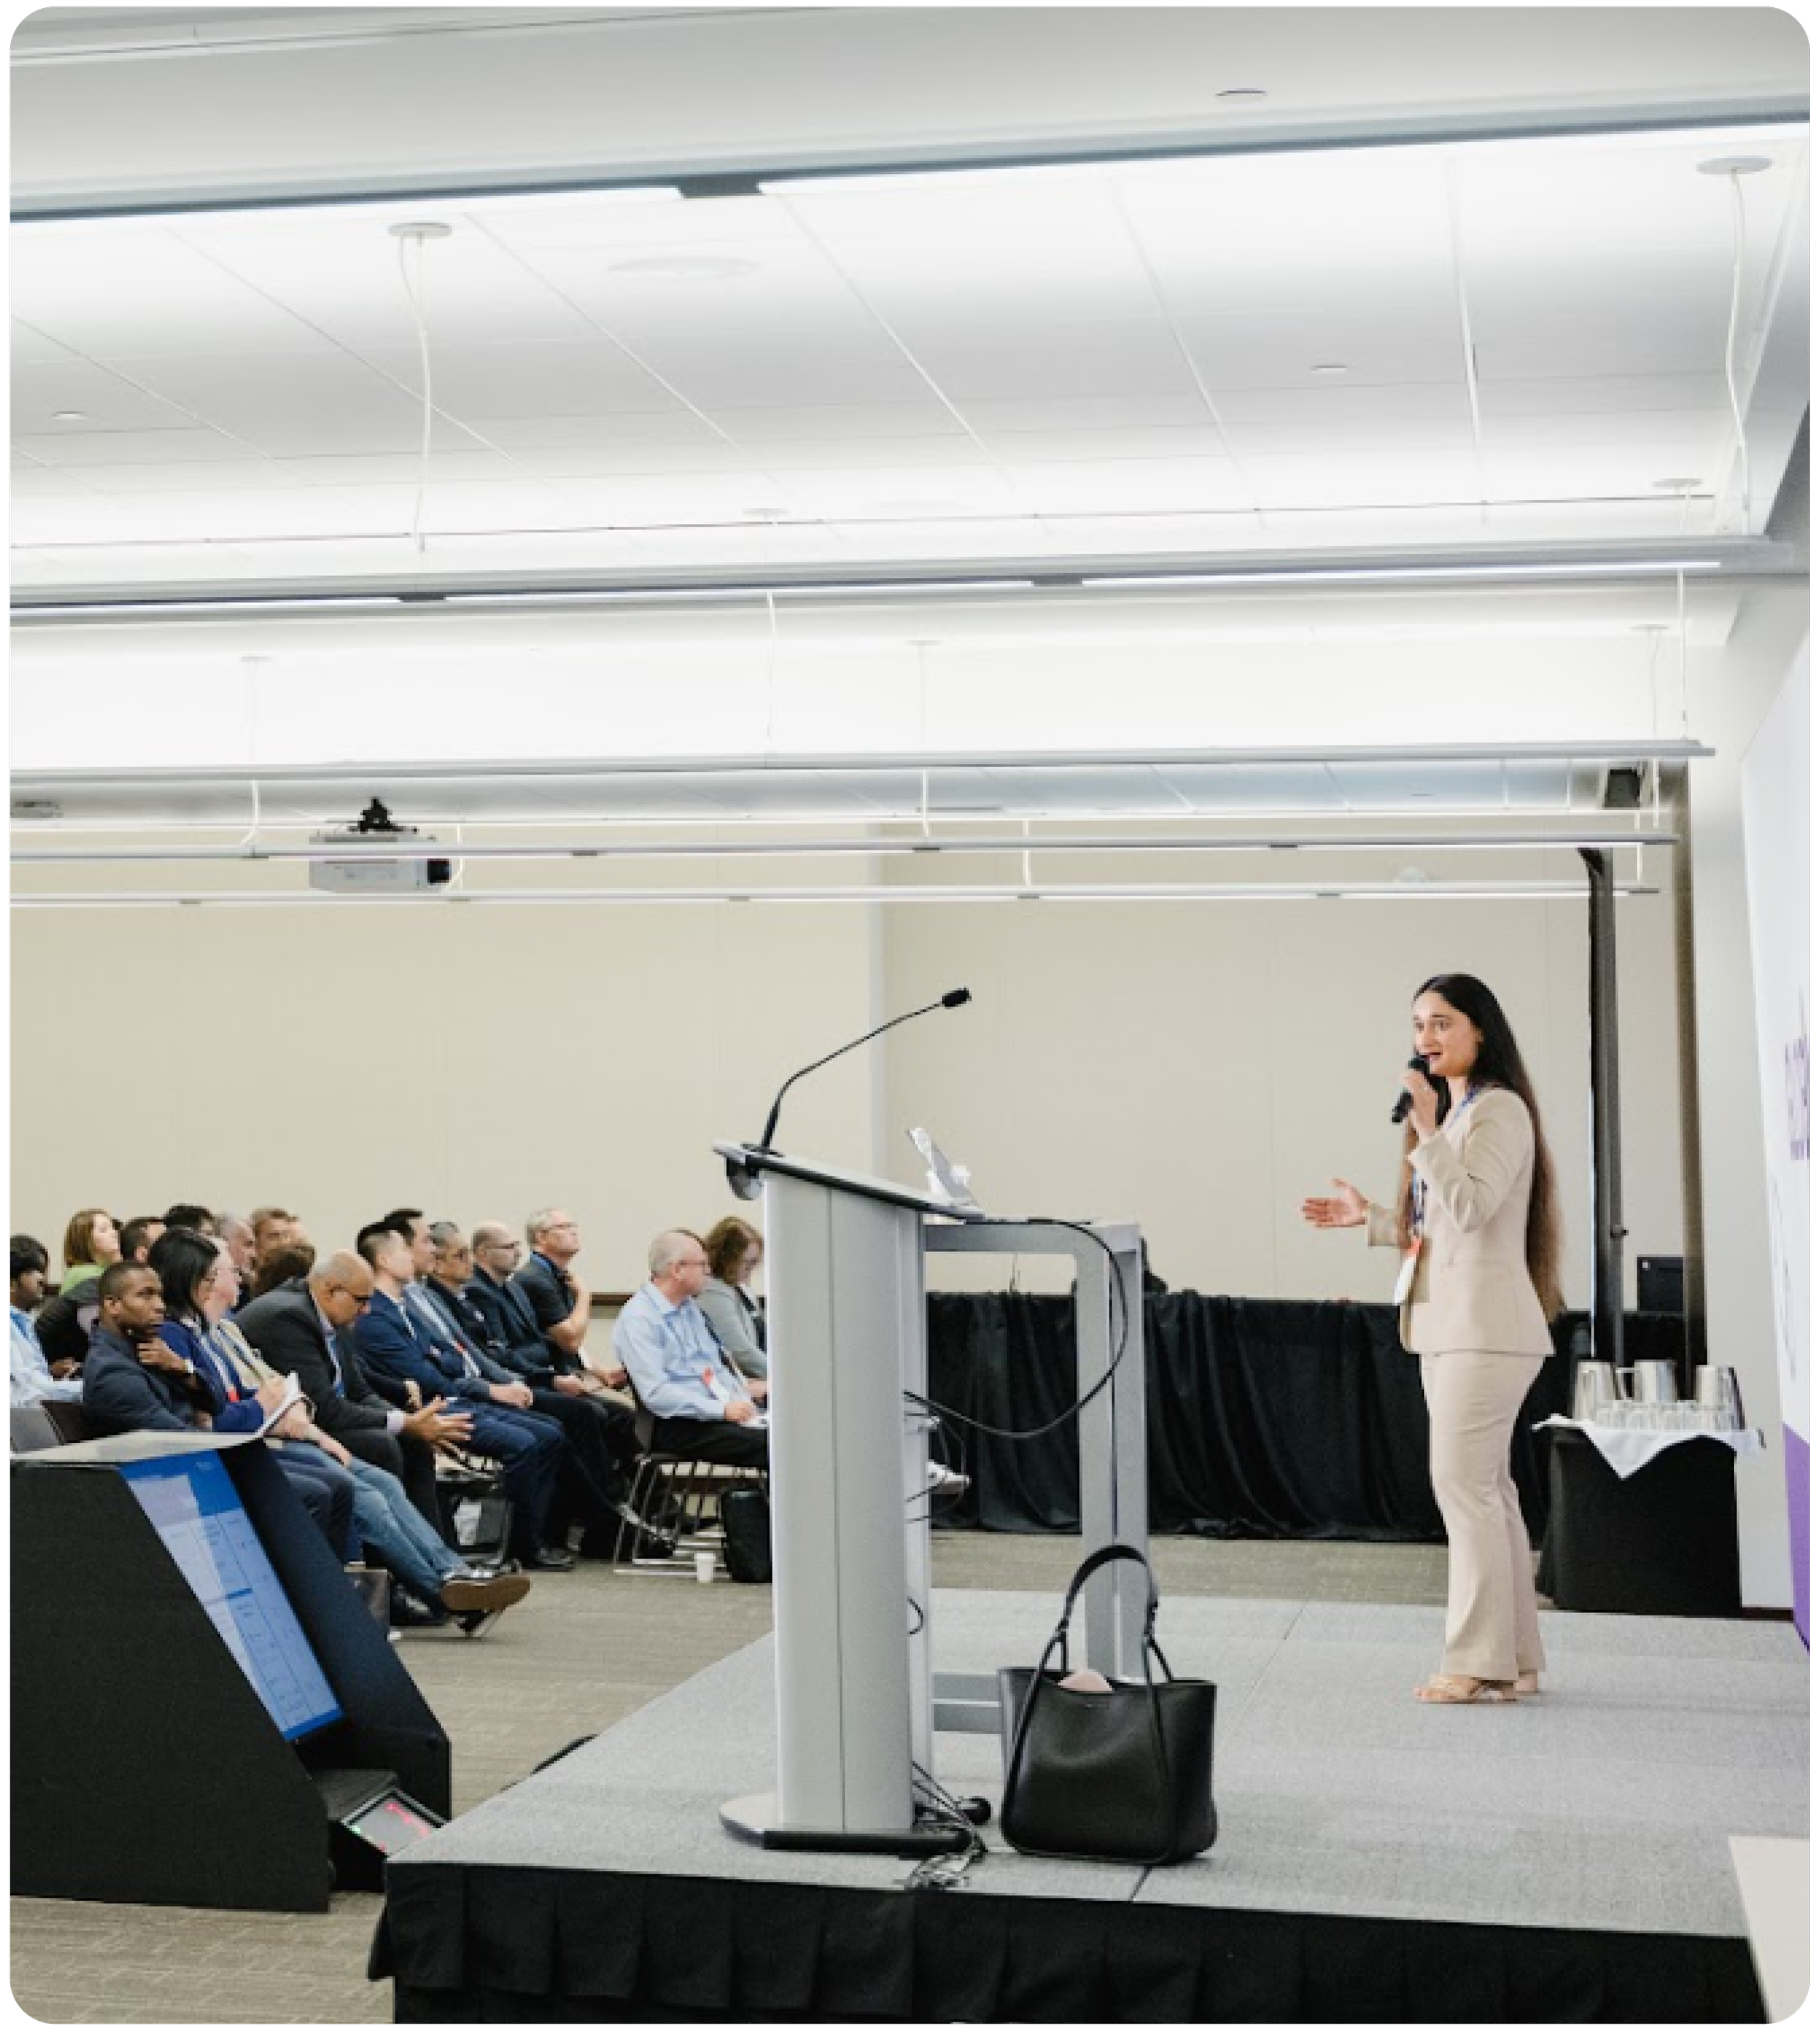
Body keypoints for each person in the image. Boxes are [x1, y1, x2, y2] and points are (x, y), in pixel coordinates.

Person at [1301, 972, 1562, 1706]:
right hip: (1450, 1325)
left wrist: (1422, 1128)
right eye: (1418, 1025)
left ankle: (1477, 1658)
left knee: (1465, 1488)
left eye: (1442, 1023)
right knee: (1488, 1491)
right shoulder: (1458, 1115)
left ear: (1481, 1030)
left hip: (1486, 1329)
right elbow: (1440, 1227)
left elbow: (1474, 1208)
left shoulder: (1498, 1111)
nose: (1426, 1040)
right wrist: (1375, 1218)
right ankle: (1511, 1659)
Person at [353, 1221, 572, 1571]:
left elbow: (451, 1355)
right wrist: (454, 1371)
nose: (415, 1256)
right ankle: (522, 1546)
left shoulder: (404, 1306)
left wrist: (448, 1366)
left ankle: (531, 1539)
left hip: (456, 1396)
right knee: (525, 1443)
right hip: (436, 1408)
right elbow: (427, 1375)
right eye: (405, 1250)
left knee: (551, 1432)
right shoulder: (376, 1316)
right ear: (383, 1260)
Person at [238, 1248, 472, 1535]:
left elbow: (359, 1391)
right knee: (382, 1444)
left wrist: (411, 1422)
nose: (367, 1310)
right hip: (292, 1431)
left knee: (415, 1443)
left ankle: (443, 1555)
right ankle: (394, 1562)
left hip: (323, 1421)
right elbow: (324, 1409)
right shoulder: (288, 1318)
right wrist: (405, 1423)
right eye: (361, 1300)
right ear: (330, 1291)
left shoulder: (333, 1314)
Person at [614, 1230, 769, 1469]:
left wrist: (743, 1398)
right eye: (703, 1264)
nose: (709, 1271)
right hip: (676, 1423)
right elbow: (656, 1394)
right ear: (677, 1270)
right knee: (773, 1446)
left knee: (789, 1433)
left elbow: (714, 1369)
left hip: (713, 1412)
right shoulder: (640, 1318)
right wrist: (723, 1410)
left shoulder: (690, 1309)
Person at [10, 1234, 83, 1408]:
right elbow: (26, 1393)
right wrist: (90, 1388)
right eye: (32, 1272)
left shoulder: (24, 1321)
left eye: (43, 1271)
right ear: (11, 1284)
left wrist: (50, 1373)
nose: (42, 1279)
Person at [698, 1217, 767, 1381]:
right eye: (747, 1264)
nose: (750, 1271)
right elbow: (741, 1352)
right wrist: (783, 1377)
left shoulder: (739, 1288)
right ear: (727, 1259)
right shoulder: (712, 1292)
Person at [58, 1208, 122, 1294]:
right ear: (85, 1240)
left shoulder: (106, 1269)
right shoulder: (82, 1273)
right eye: (104, 1230)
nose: (114, 1233)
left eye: (113, 1228)